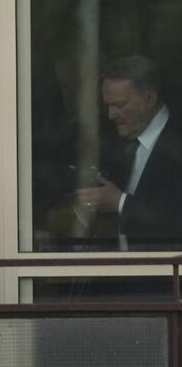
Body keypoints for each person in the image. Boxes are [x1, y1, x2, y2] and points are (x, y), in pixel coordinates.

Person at [75, 55, 182, 251]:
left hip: (167, 278)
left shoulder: (176, 143)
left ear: (150, 98)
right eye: (108, 105)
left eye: (120, 105)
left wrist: (120, 202)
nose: (111, 114)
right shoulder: (110, 141)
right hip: (114, 275)